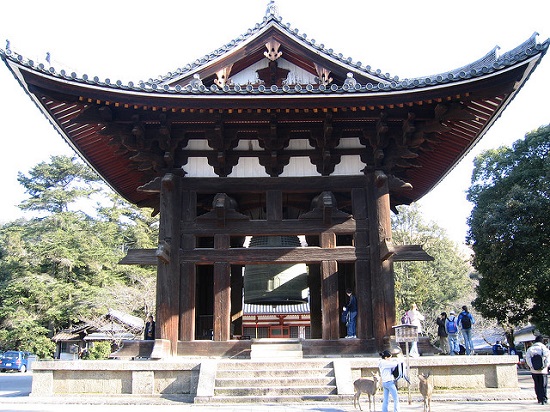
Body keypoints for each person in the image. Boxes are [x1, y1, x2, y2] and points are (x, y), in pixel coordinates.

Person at [525, 335, 550, 405]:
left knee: (537, 384)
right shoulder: (545, 349)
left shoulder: (530, 349)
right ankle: (544, 399)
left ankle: (539, 399)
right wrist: (545, 366)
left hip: (534, 371)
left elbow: (528, 359)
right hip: (543, 371)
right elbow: (548, 360)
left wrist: (532, 366)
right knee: (543, 385)